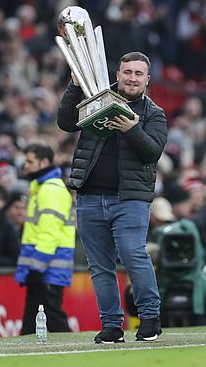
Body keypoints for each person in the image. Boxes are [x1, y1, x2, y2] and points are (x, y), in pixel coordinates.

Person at [57, 51, 167, 343]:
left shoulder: (153, 114)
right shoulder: (98, 99)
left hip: (129, 198)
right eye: (127, 72)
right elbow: (66, 122)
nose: (132, 78)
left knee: (133, 255)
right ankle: (111, 325)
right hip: (89, 196)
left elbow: (152, 152)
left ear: (147, 80)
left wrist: (132, 129)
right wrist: (75, 86)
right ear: (117, 75)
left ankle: (149, 318)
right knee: (99, 265)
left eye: (138, 74)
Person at [15, 142, 74, 334]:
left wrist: (36, 266)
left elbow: (50, 233)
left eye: (30, 161)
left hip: (47, 266)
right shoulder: (42, 188)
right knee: (34, 320)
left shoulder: (51, 190)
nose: (26, 166)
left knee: (52, 318)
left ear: (44, 162)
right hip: (44, 266)